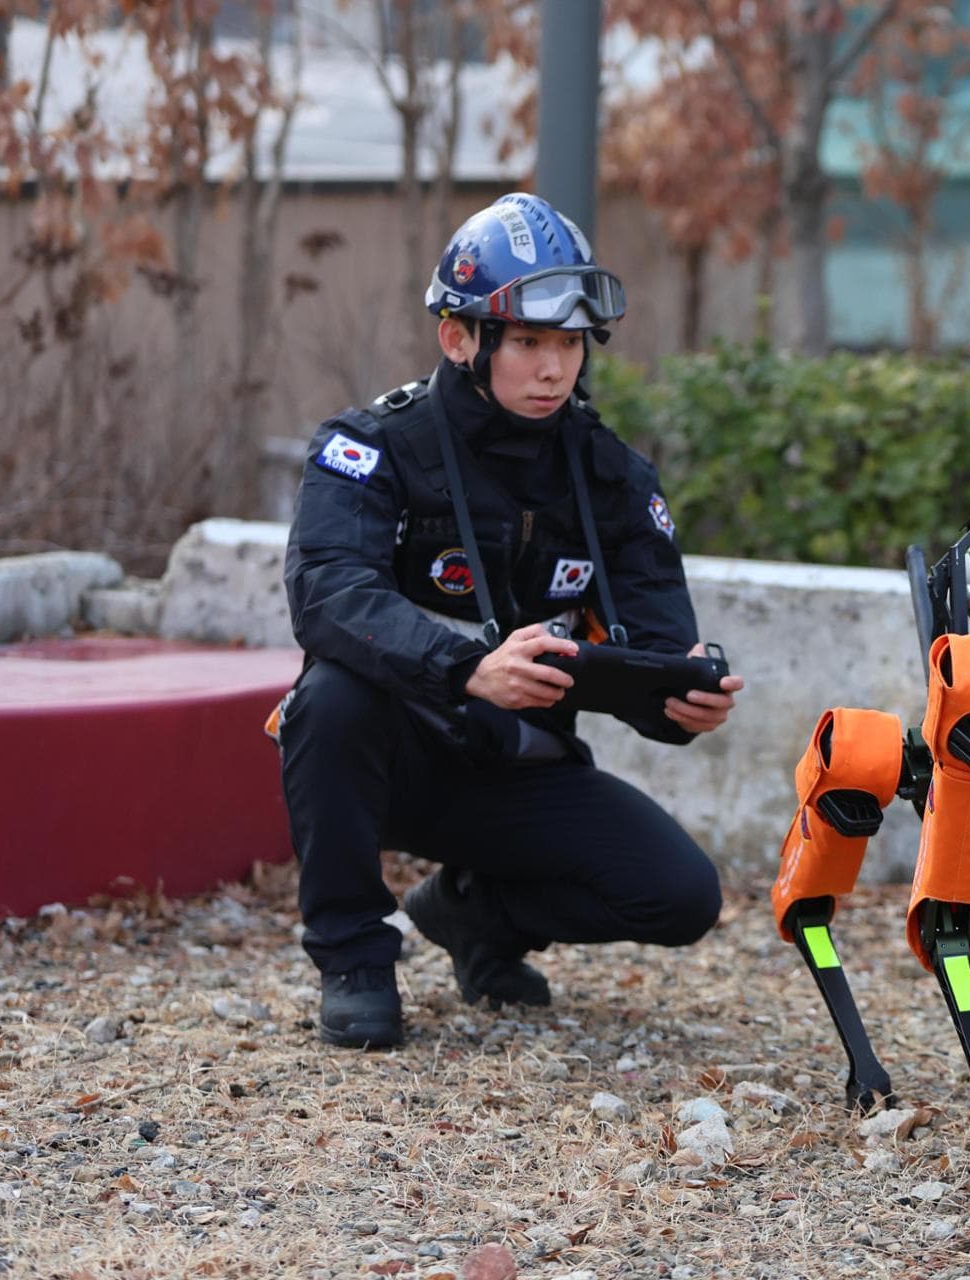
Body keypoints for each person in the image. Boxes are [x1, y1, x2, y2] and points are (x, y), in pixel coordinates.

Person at [277, 192, 743, 1048]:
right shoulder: (371, 449)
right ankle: (355, 958)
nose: (553, 370)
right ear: (460, 339)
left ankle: (474, 917)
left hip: (521, 766)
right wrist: (463, 667)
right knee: (329, 699)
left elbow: (652, 639)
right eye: (528, 342)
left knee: (682, 896)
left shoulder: (614, 478)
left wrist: (679, 700)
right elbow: (327, 593)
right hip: (393, 761)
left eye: (568, 345)